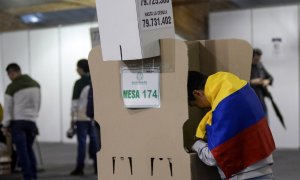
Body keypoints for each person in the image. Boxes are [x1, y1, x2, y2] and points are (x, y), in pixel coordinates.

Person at [188, 71, 275, 180]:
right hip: (265, 171)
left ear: (197, 93)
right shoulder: (242, 89)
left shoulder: (223, 109)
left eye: (195, 104)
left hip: (245, 176)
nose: (200, 108)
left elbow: (214, 157)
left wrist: (195, 144)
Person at [1, 63, 40, 180]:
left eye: (9, 74)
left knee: (22, 152)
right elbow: (37, 104)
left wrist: (5, 125)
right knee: (29, 149)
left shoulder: (11, 87)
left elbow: (8, 109)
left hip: (18, 123)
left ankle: (28, 177)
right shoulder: (35, 84)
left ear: (12, 73)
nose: (9, 77)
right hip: (32, 122)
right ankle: (34, 175)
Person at [70, 59, 99, 175]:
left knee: (81, 143)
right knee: (95, 143)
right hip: (93, 117)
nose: (76, 70)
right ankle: (97, 167)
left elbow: (74, 104)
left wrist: (72, 119)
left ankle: (79, 167)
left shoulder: (79, 83)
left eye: (77, 67)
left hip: (82, 117)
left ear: (81, 69)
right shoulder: (95, 80)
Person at [250, 48, 273, 113]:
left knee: (264, 117)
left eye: (259, 59)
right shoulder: (246, 67)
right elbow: (241, 83)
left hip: (261, 98)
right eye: (256, 59)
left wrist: (267, 81)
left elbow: (270, 78)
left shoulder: (259, 65)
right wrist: (252, 82)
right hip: (251, 99)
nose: (258, 61)